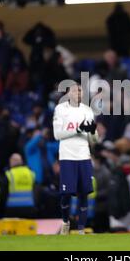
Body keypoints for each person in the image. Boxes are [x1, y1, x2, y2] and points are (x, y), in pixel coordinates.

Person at [52, 83, 98, 235]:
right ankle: (66, 221)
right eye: (74, 90)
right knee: (66, 193)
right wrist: (78, 129)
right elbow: (57, 135)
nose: (78, 93)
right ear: (68, 93)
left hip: (83, 156)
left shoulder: (87, 110)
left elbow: (94, 140)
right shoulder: (61, 109)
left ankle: (80, 229)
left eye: (80, 90)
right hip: (67, 156)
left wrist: (92, 132)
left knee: (84, 193)